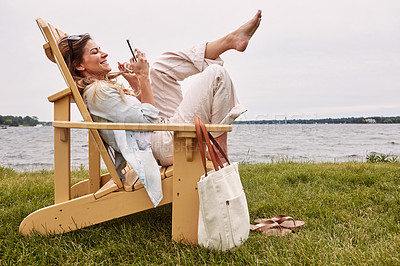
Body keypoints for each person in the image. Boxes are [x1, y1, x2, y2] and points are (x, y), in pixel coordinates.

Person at [58, 10, 262, 206]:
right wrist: (143, 79)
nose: (104, 53)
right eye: (95, 52)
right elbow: (147, 122)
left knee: (160, 68)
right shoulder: (98, 93)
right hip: (160, 145)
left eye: (100, 49)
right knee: (216, 74)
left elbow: (139, 119)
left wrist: (137, 83)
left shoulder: (100, 90)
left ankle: (228, 41)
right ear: (80, 66)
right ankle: (219, 152)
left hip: (158, 135)